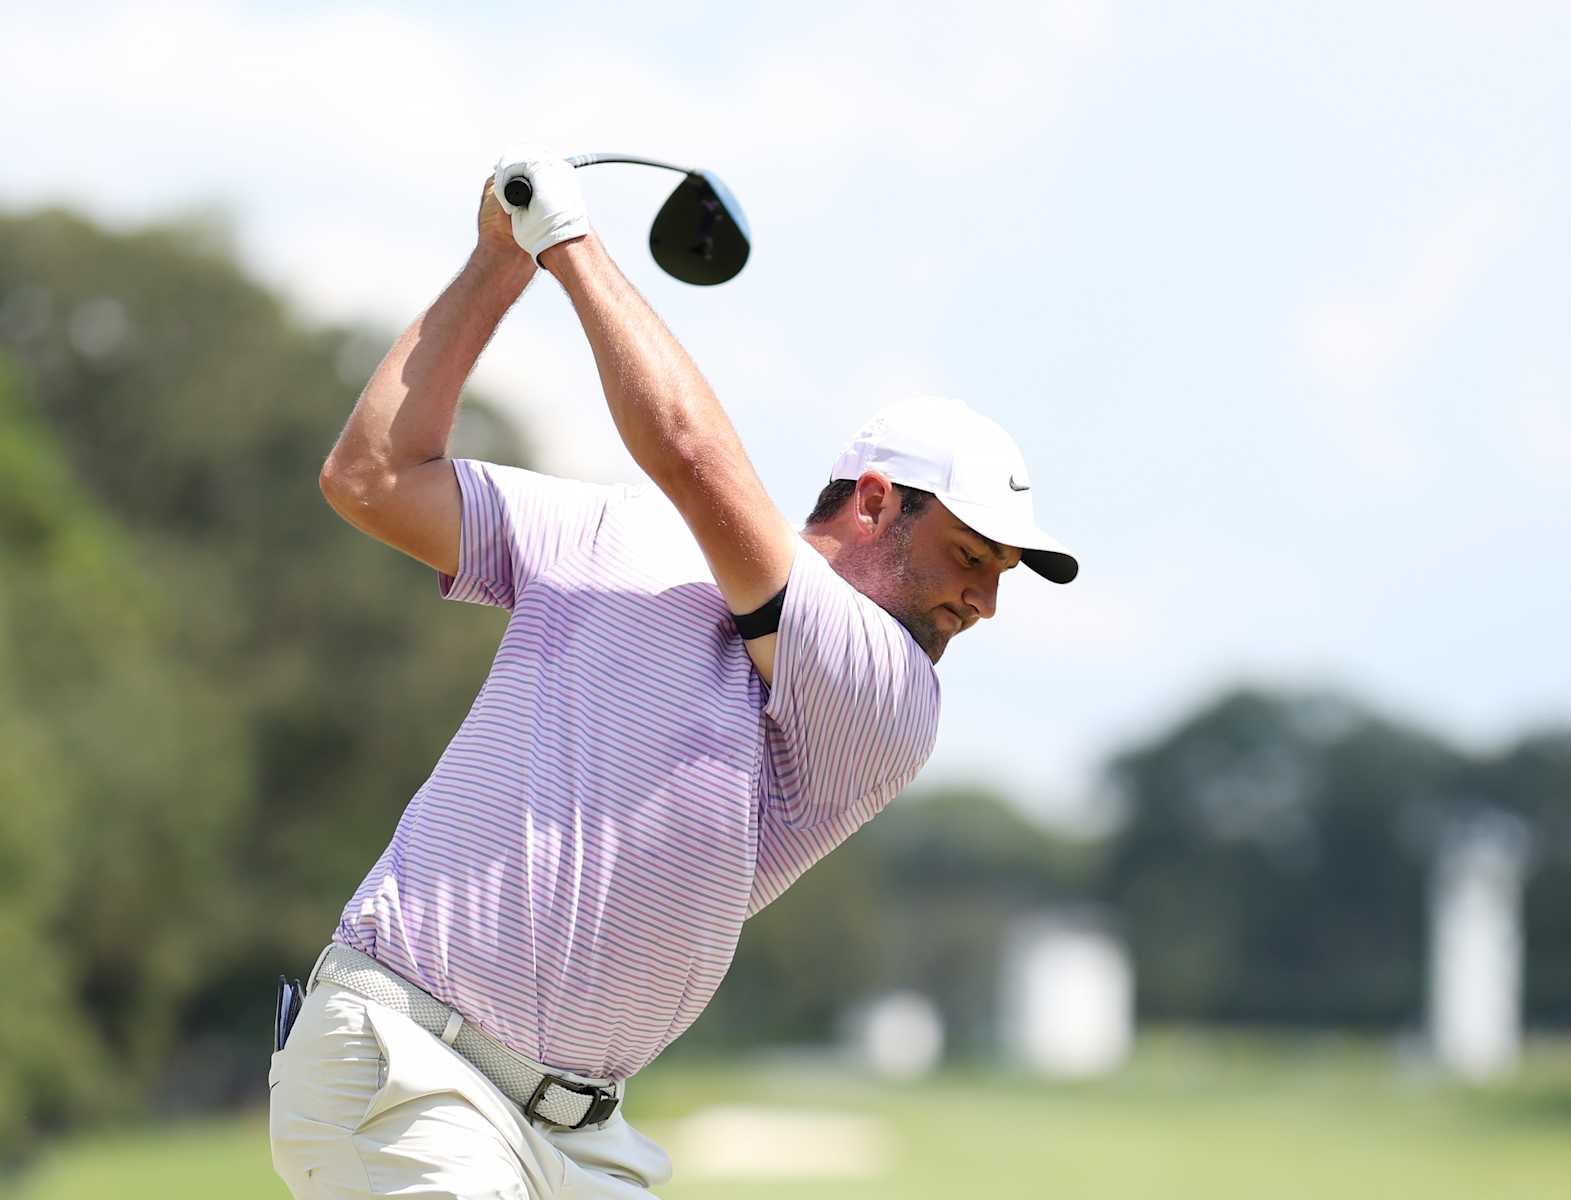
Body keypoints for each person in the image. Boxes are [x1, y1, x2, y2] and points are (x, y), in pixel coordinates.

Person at [267, 146, 1078, 1200]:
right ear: (876, 504)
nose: (985, 602)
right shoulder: (610, 529)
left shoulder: (889, 695)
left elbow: (694, 456)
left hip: (581, 1137)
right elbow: (372, 477)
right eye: (973, 557)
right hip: (410, 1067)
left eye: (1004, 574)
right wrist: (496, 262)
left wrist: (566, 243)